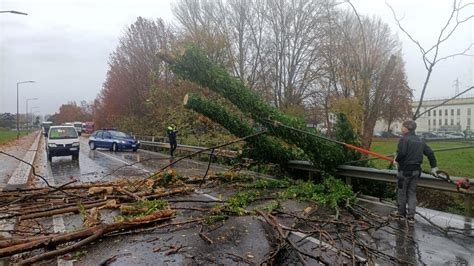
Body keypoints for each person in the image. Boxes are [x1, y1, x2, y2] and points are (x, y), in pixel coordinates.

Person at [394, 120, 437, 223]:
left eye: (402, 126)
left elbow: (402, 153)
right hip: (416, 171)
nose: (401, 128)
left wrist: (396, 159)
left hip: (404, 171)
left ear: (406, 128)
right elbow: (430, 153)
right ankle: (411, 217)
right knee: (412, 193)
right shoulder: (420, 140)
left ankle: (400, 214)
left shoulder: (404, 139)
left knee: (402, 192)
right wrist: (434, 167)